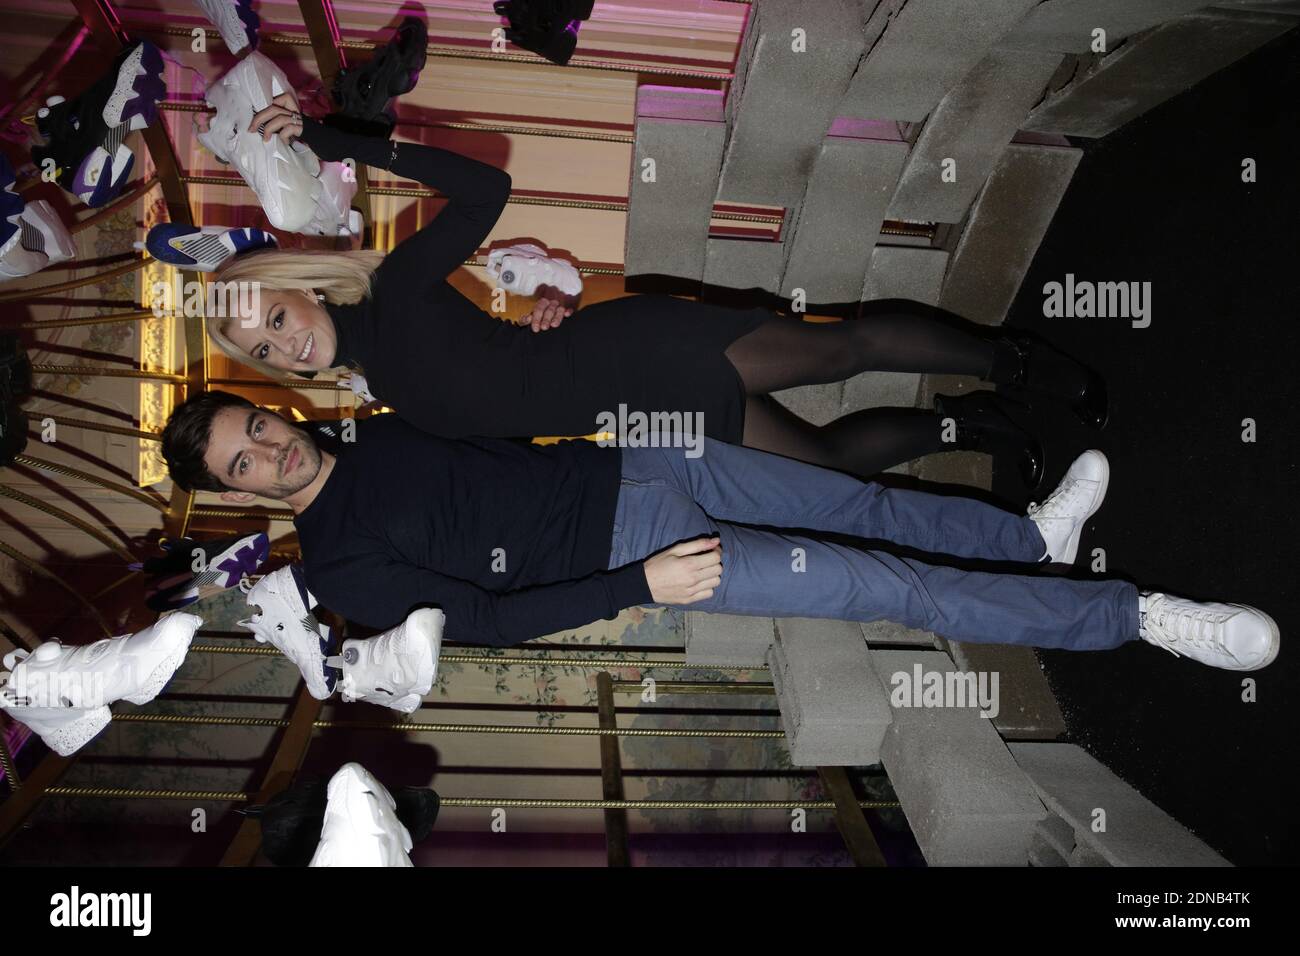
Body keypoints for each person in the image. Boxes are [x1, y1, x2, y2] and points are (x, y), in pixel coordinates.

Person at [202, 91, 1111, 490]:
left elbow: (487, 190)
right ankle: (978, 423)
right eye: (263, 353)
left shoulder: (393, 285)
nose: (283, 347)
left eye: (275, 318)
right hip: (635, 416)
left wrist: (344, 141)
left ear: (302, 287)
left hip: (637, 349)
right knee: (829, 465)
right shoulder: (366, 401)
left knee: (845, 348)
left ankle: (1019, 361)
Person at [160, 391, 1279, 678]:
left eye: (257, 426)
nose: (270, 450)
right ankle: (1136, 617)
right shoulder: (342, 566)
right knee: (890, 585)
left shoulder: (374, 434)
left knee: (871, 501)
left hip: (648, 463)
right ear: (238, 495)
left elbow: (503, 430)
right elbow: (490, 621)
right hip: (652, 556)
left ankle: (1033, 539)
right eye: (243, 462)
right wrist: (632, 582)